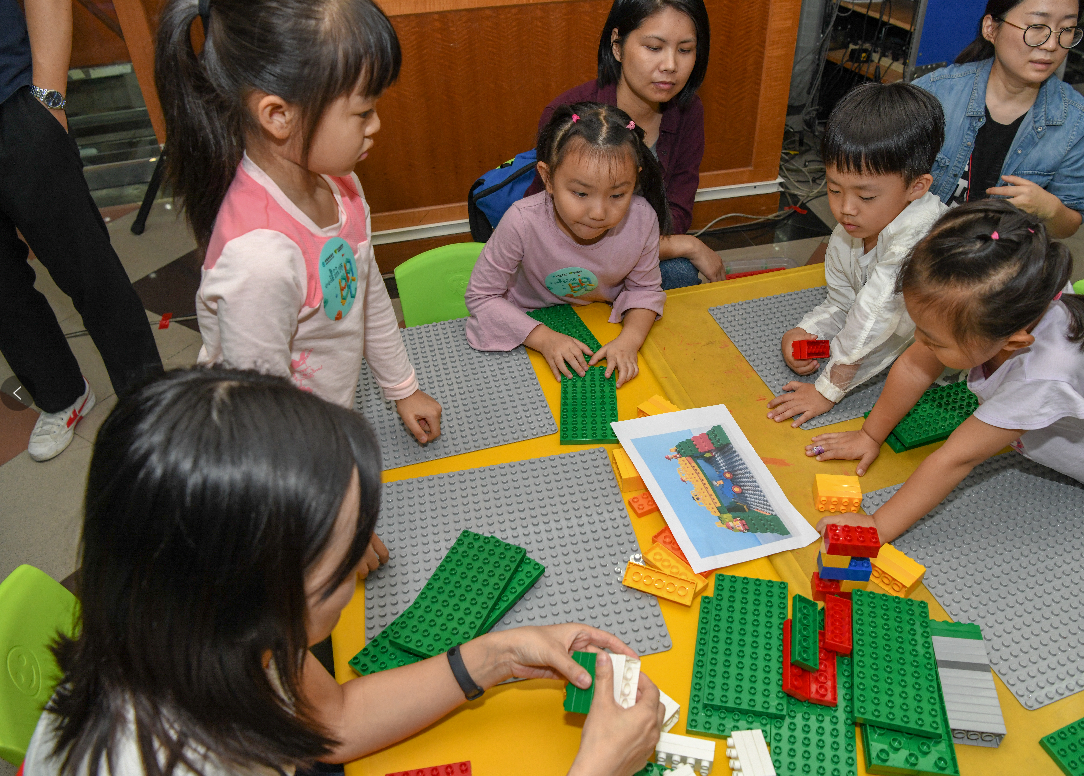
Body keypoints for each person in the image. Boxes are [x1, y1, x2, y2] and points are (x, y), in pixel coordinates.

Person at [21, 368, 665, 776]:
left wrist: (497, 655)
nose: (361, 570)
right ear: (260, 596)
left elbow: (331, 723)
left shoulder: (199, 631)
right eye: (344, 558)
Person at [154, 0, 441, 445]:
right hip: (285, 442)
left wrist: (402, 387)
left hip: (322, 417)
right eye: (363, 112)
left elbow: (366, 289)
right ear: (278, 116)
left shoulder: (342, 186)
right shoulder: (260, 261)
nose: (376, 125)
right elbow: (264, 415)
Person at [806, 201, 1084, 542]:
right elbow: (918, 365)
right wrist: (870, 434)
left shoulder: (1042, 374)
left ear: (1012, 342)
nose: (919, 341)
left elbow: (955, 459)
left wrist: (876, 526)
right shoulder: (1017, 290)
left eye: (935, 339)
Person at [0, 0, 163, 462]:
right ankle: (62, 395)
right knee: (3, 291)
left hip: (13, 102)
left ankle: (149, 403)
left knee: (86, 265)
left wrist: (48, 100)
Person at [766, 83, 949, 427]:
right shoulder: (847, 235)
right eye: (834, 189)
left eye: (866, 197)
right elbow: (844, 303)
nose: (845, 209)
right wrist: (808, 331)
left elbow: (874, 314)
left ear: (917, 187)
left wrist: (826, 390)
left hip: (957, 367)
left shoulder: (922, 239)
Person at [465, 102, 668, 388]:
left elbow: (645, 290)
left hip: (600, 324)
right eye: (581, 193)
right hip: (526, 329)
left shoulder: (642, 218)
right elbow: (481, 297)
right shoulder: (521, 221)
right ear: (547, 178)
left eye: (617, 195)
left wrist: (628, 341)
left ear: (635, 179)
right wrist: (544, 339)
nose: (598, 213)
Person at [524, 0, 724, 288]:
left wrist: (666, 244)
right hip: (570, 255)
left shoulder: (688, 111)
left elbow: (676, 214)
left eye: (684, 50)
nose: (670, 66)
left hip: (641, 251)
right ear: (617, 45)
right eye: (654, 48)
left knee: (679, 274)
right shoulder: (569, 115)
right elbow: (546, 229)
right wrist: (685, 245)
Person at [912, 0, 1084, 239]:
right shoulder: (934, 93)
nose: (1052, 45)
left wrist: (1049, 209)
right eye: (1036, 27)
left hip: (1001, 257)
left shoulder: (1080, 124)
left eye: (1067, 29)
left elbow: (1068, 226)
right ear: (991, 28)